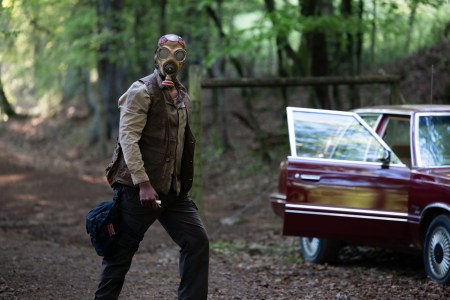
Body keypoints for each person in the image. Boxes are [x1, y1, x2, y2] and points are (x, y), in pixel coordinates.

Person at [94, 34, 209, 300]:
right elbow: (128, 139)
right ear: (157, 56)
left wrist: (180, 185)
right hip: (139, 191)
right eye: (166, 53)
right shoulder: (141, 91)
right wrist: (143, 183)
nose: (172, 59)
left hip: (173, 192)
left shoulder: (182, 96)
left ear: (184, 60)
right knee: (120, 254)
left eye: (179, 54)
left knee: (197, 242)